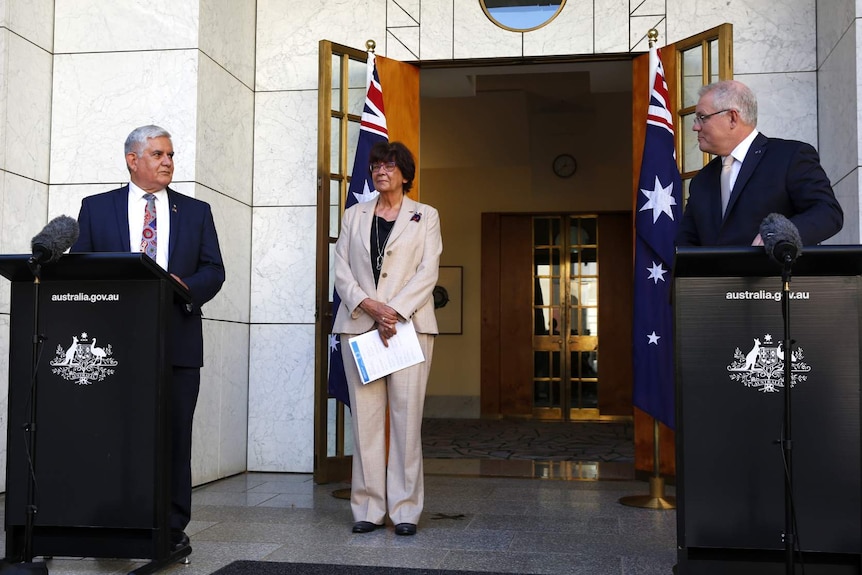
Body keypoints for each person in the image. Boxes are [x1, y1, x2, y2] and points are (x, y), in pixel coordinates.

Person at [71, 125, 225, 552]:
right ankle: (111, 519)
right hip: (112, 345)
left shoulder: (196, 212)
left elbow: (214, 270)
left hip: (176, 340)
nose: (168, 162)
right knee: (114, 434)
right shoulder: (96, 209)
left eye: (171, 155)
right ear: (132, 160)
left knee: (173, 436)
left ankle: (171, 525)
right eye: (158, 154)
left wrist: (184, 286)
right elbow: (80, 266)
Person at [333, 141, 441, 537]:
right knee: (366, 422)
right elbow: (341, 268)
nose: (381, 171)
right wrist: (371, 307)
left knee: (406, 421)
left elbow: (428, 272)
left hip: (409, 328)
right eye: (377, 165)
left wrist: (392, 311)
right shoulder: (353, 216)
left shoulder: (425, 216)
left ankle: (406, 510)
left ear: (405, 174)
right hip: (360, 326)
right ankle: (367, 507)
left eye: (390, 165)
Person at [676, 80, 843, 246]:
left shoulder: (789, 157)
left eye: (702, 117)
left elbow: (827, 213)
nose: (695, 127)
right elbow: (686, 243)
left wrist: (782, 234)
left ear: (732, 118)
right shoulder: (702, 179)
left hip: (774, 272)